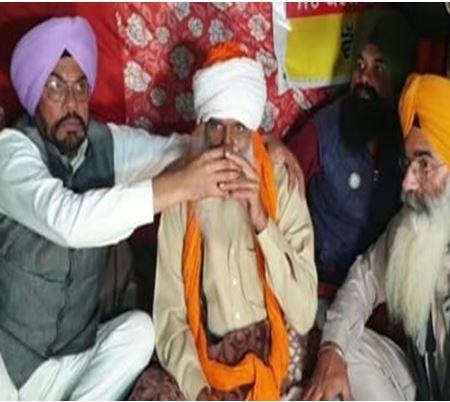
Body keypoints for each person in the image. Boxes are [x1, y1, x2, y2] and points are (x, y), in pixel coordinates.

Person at [0, 18, 301, 400]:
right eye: (55, 87)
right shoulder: (11, 152)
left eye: (80, 87)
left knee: (139, 332)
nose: (71, 103)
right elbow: (68, 221)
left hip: (73, 360)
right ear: (33, 94)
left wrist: (254, 140)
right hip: (10, 363)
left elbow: (179, 149)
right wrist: (180, 186)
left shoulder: (104, 144)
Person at [303, 74, 450, 400]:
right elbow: (365, 279)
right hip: (427, 388)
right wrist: (332, 351)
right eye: (409, 162)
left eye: (424, 164)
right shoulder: (416, 226)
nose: (407, 183)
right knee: (342, 343)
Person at [147, 43, 317, 401]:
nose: (226, 145)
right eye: (216, 127)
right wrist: (199, 390)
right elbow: (170, 314)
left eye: (238, 128)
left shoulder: (282, 183)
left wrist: (261, 221)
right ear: (202, 128)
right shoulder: (181, 189)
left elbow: (303, 314)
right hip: (208, 358)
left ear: (253, 129)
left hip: (279, 349)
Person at [286, 8, 417, 286]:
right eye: (360, 65)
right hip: (320, 283)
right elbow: (279, 185)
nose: (364, 79)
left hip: (379, 287)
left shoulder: (411, 141)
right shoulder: (324, 130)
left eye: (378, 68)